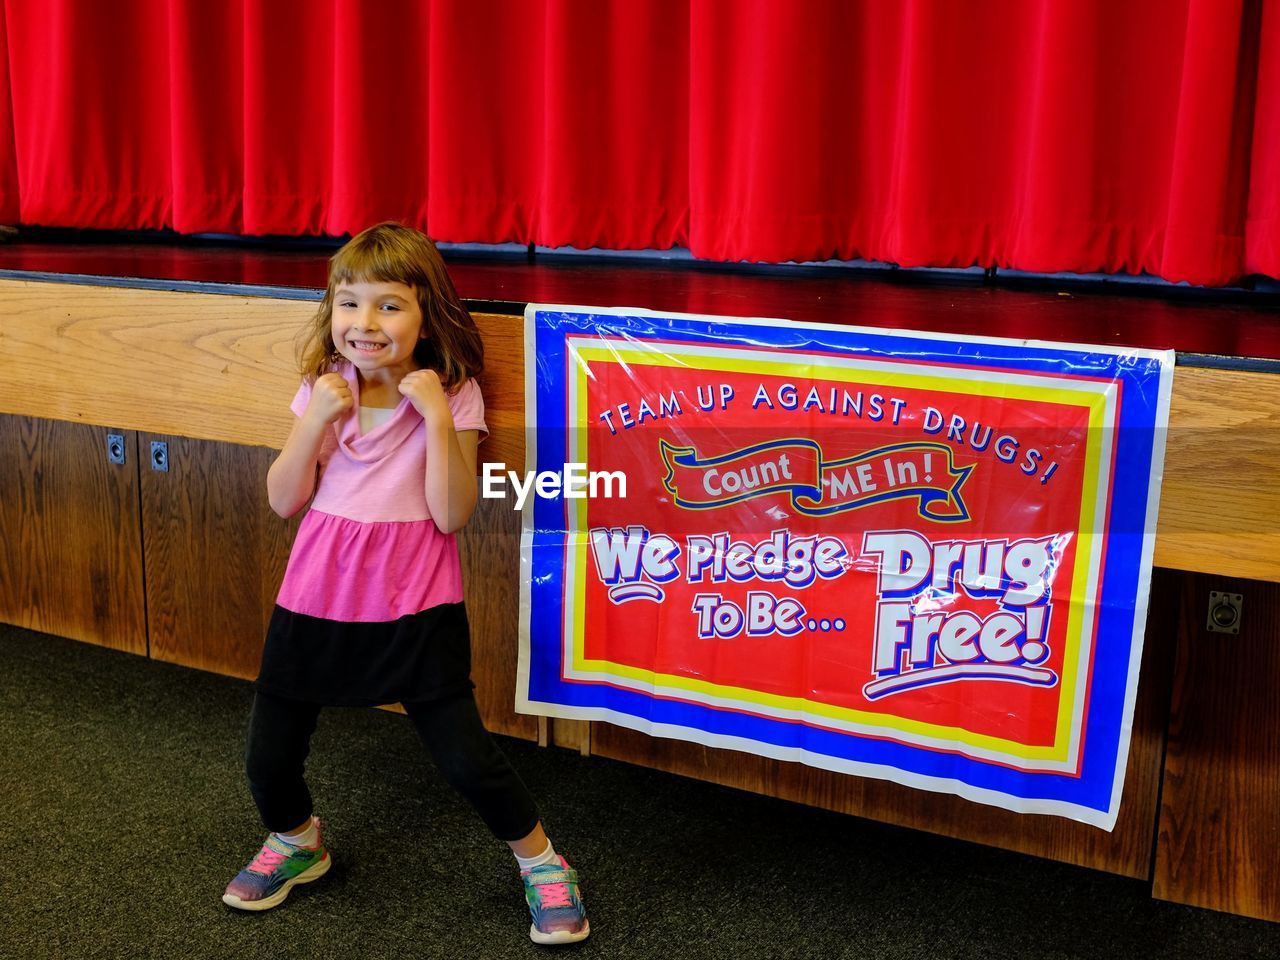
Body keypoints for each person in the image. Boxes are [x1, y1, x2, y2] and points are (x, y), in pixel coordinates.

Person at [221, 222, 589, 945]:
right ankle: (298, 843)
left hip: (416, 604)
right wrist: (315, 420)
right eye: (349, 303)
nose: (365, 323)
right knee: (268, 756)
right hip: (315, 597)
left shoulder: (451, 395)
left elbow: (452, 514)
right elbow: (283, 498)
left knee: (466, 758)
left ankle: (544, 863)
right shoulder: (325, 388)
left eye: (388, 305)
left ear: (429, 316)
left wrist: (433, 417)